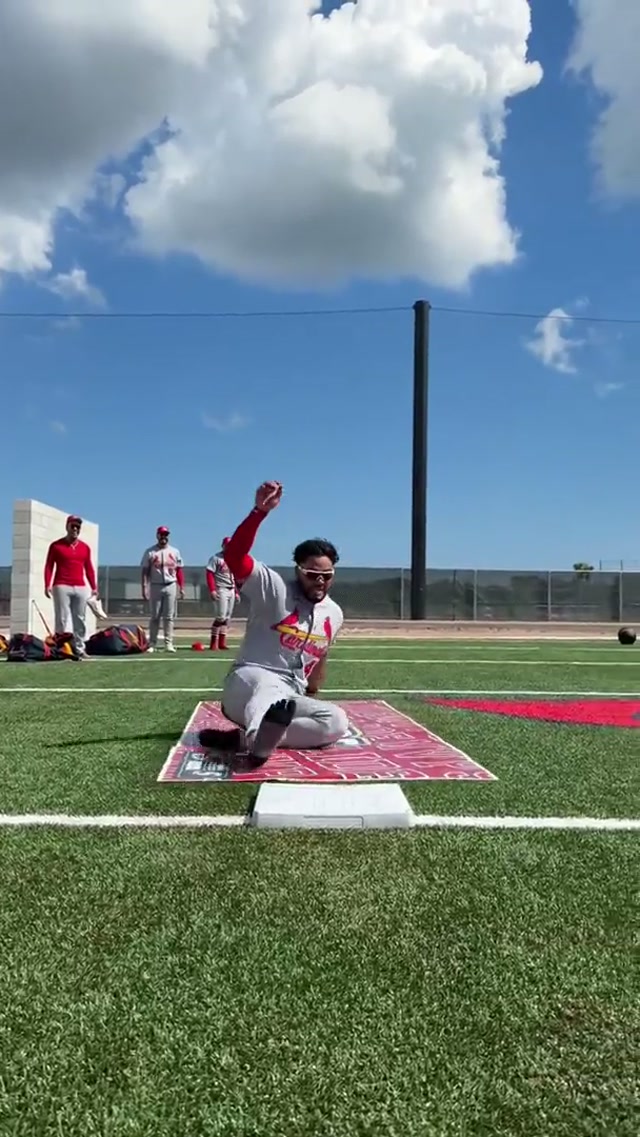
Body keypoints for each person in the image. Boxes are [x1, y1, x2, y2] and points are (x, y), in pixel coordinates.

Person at [198, 481, 348, 765]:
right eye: (312, 574)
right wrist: (259, 512)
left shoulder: (334, 613)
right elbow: (234, 557)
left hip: (290, 694)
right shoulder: (275, 588)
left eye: (327, 576)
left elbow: (321, 656)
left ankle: (243, 739)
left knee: (336, 722)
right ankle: (257, 740)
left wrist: (312, 692)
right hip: (247, 685)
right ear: (298, 570)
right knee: (268, 688)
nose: (320, 581)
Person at [44, 515, 98, 657]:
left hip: (80, 586)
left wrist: (94, 587)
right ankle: (61, 649)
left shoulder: (85, 548)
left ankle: (80, 648)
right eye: (72, 526)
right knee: (61, 618)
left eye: (77, 527)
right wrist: (47, 584)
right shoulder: (56, 546)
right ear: (67, 527)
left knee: (80, 619)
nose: (75, 529)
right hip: (61, 585)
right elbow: (49, 566)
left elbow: (89, 568)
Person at [140, 526, 185, 653]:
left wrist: (181, 587)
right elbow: (145, 571)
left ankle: (168, 643)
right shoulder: (150, 552)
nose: (164, 537)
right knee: (155, 616)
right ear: (157, 536)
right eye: (161, 534)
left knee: (169, 616)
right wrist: (144, 587)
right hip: (155, 585)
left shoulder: (175, 552)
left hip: (171, 584)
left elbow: (179, 571)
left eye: (166, 534)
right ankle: (152, 643)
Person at [205, 538, 239, 651]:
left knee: (227, 617)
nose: (229, 548)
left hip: (231, 589)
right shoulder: (216, 558)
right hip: (221, 588)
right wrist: (212, 590)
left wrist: (236, 591)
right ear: (223, 546)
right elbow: (209, 574)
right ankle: (213, 642)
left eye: (231, 545)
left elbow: (235, 577)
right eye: (227, 545)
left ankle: (222, 642)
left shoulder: (233, 559)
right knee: (221, 616)